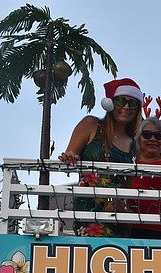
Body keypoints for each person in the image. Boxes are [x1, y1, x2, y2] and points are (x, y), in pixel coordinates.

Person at [58, 78, 143, 233]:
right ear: (110, 103)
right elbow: (69, 155)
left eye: (132, 104)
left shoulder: (134, 145)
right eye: (120, 101)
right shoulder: (91, 124)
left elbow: (129, 189)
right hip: (88, 213)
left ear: (138, 110)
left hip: (118, 216)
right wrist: (69, 157)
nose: (126, 107)